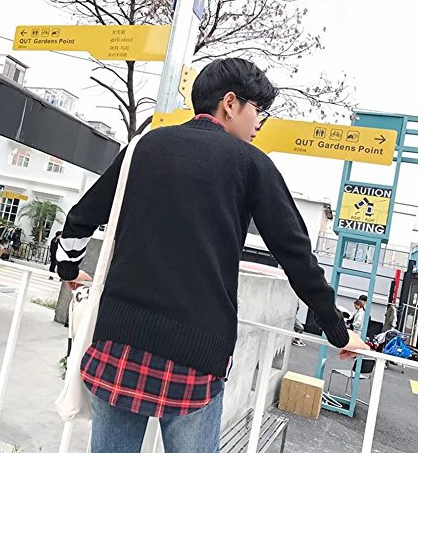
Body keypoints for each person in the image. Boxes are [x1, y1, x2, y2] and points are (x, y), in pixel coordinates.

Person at [56, 57, 368, 453]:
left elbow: (81, 218)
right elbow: (296, 256)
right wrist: (337, 330)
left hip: (119, 343)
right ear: (231, 103)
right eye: (258, 110)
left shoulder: (144, 147)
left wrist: (68, 268)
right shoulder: (252, 165)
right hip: (195, 355)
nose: (259, 124)